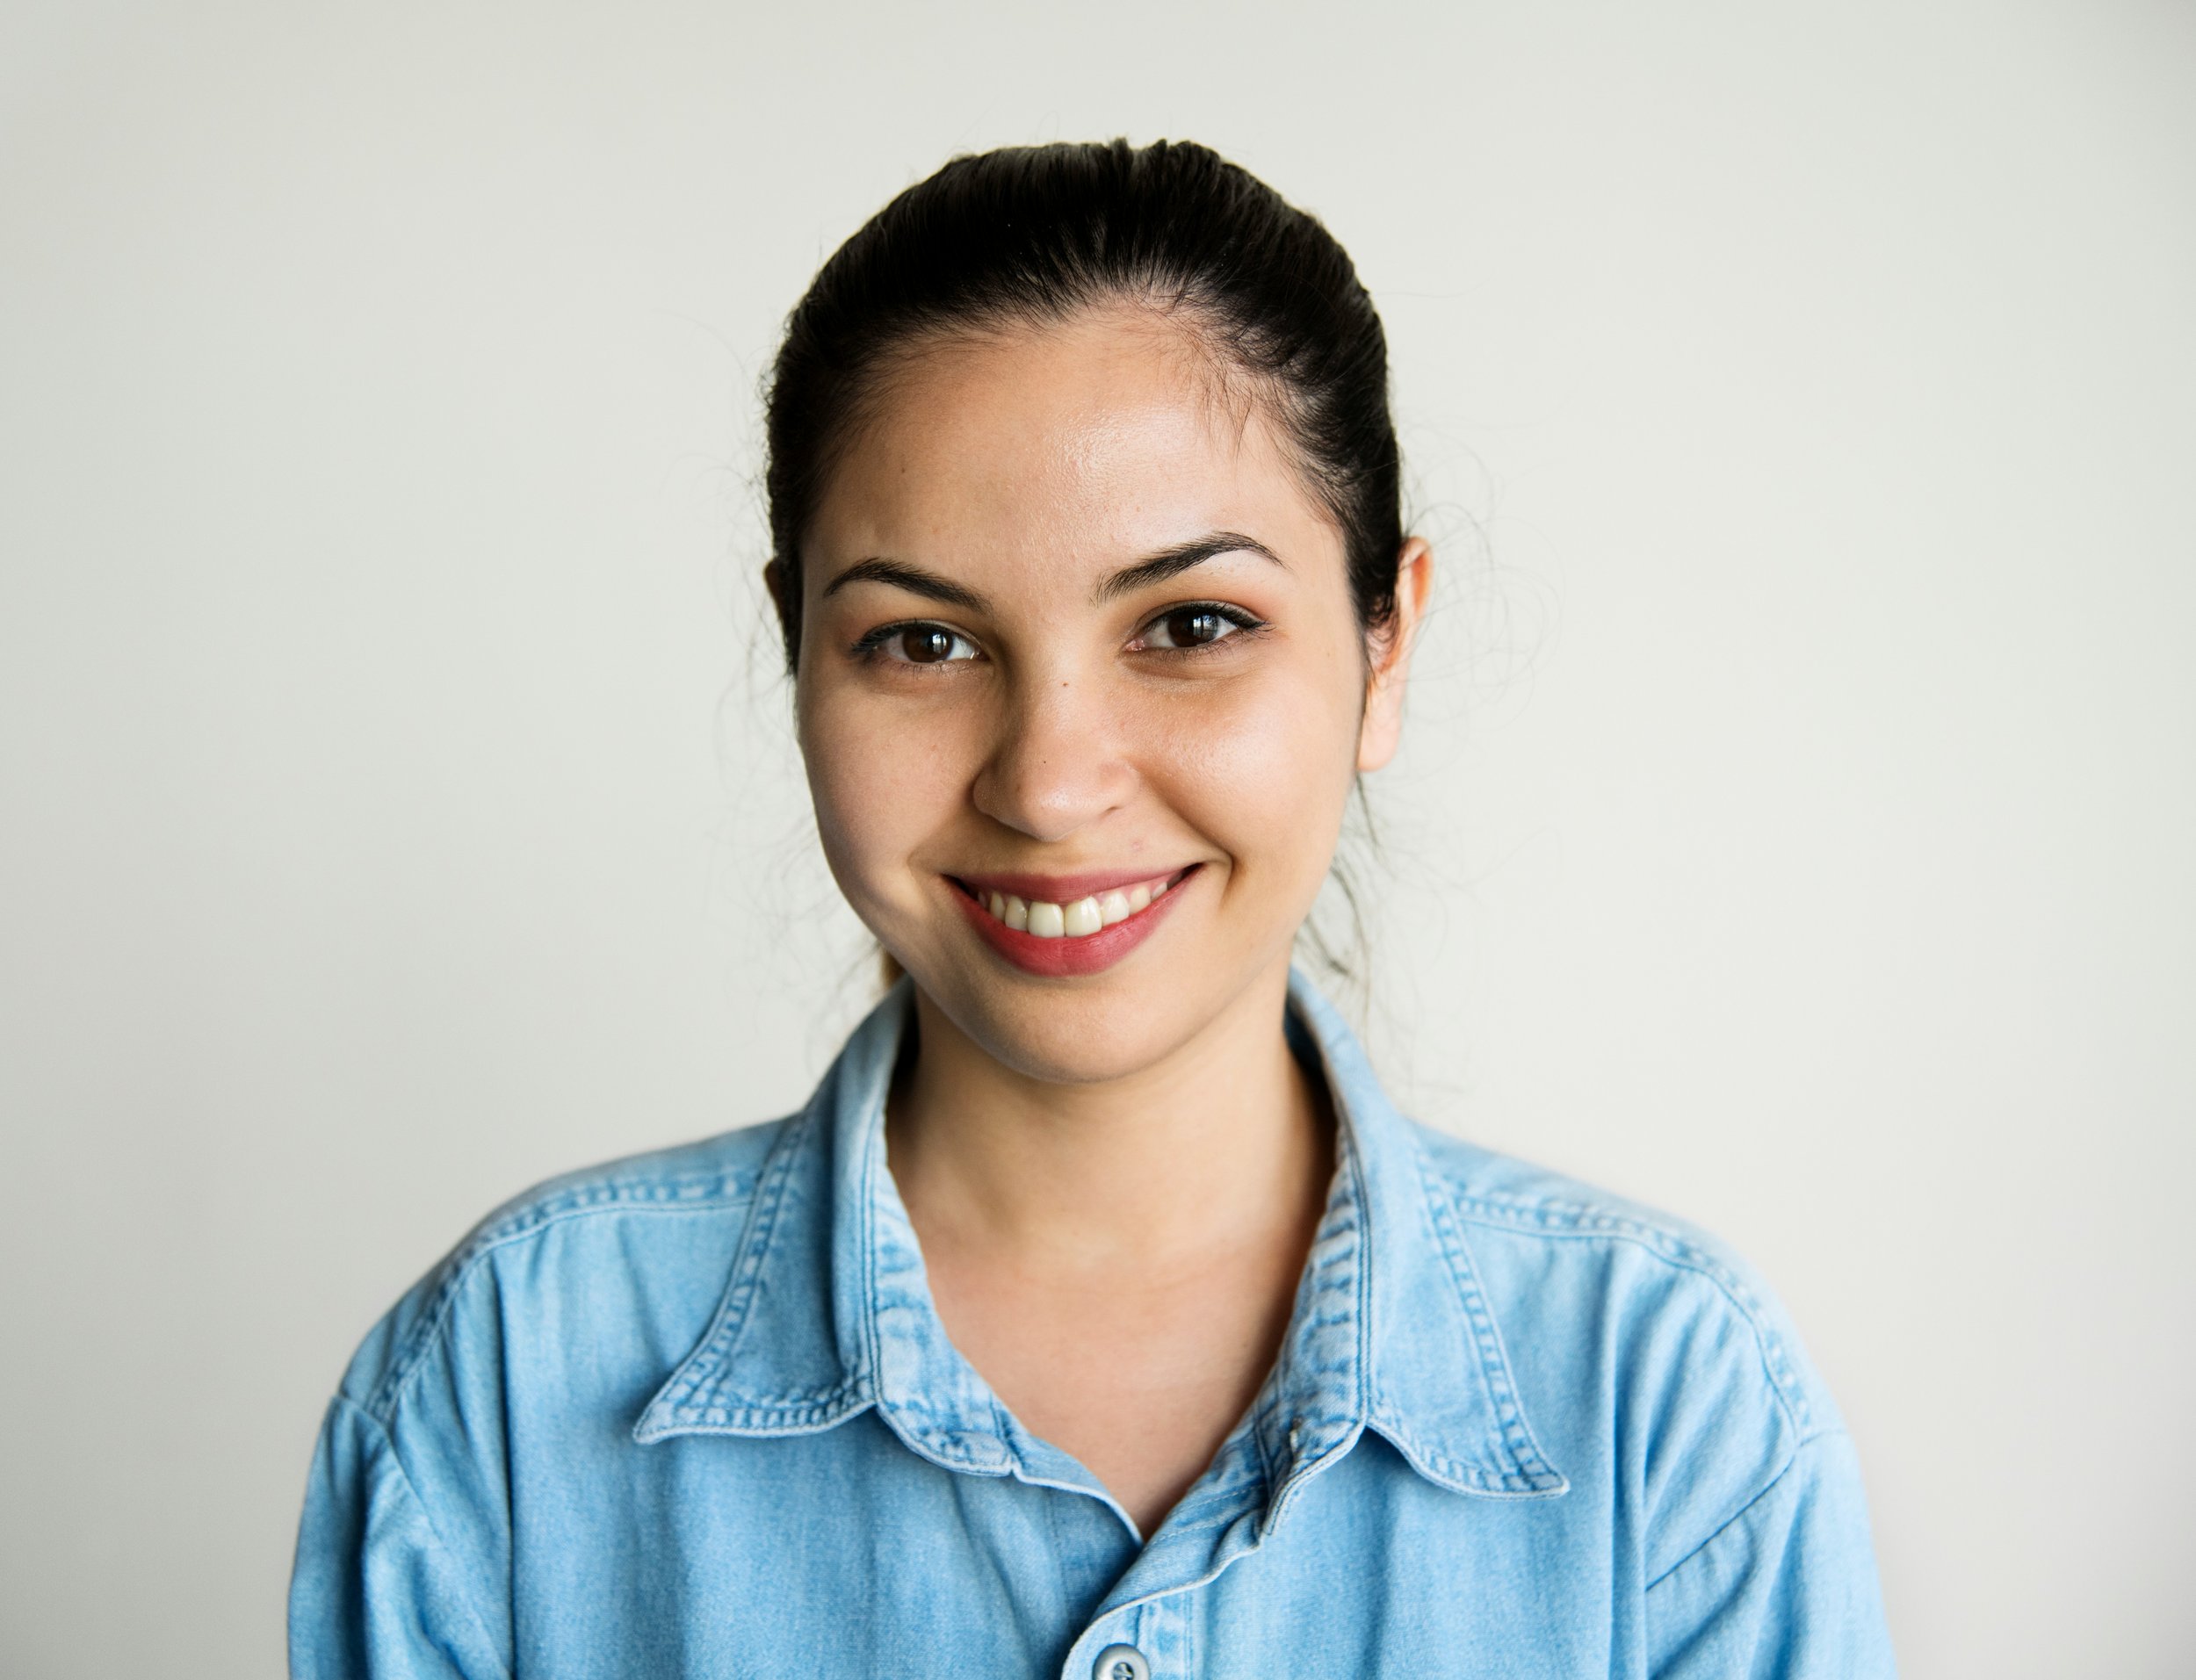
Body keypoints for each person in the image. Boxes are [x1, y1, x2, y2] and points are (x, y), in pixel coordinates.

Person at [289, 139, 1896, 1678]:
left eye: (1192, 621)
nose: (1051, 784)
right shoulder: (496, 1389)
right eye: (922, 642)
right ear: (795, 649)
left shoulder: (1668, 1415)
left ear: (1384, 646)